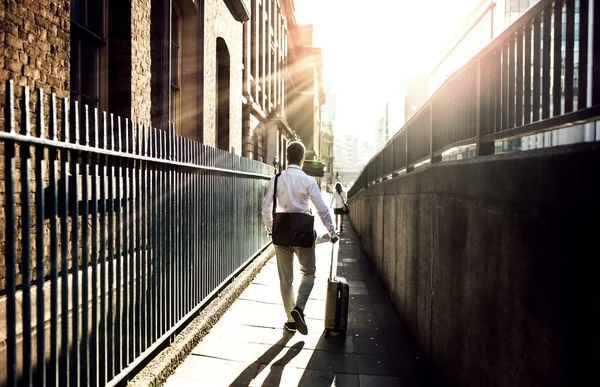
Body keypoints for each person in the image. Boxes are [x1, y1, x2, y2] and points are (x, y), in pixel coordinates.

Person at [261, 141, 339, 335]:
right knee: (309, 272)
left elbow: (265, 209)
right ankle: (299, 308)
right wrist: (332, 233)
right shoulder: (308, 181)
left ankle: (291, 320)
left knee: (285, 280)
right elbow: (322, 210)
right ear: (303, 158)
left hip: (282, 234)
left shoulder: (277, 179)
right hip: (303, 233)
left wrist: (273, 230)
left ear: (287, 157)